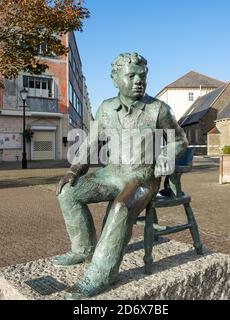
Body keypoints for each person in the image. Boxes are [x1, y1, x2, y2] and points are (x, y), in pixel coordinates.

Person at [55, 53, 188, 299]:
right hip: (110, 174)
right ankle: (84, 249)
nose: (139, 80)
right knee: (67, 192)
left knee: (120, 208)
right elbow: (90, 144)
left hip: (141, 177)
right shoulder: (105, 109)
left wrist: (166, 156)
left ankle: (102, 274)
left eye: (143, 75)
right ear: (115, 79)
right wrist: (74, 170)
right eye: (131, 75)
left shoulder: (158, 109)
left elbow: (179, 140)